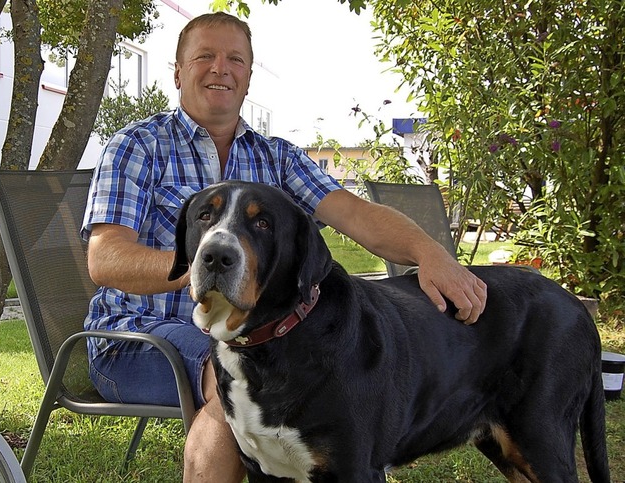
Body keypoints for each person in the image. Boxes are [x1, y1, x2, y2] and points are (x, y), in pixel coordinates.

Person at [81, 12, 487, 482]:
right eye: (205, 56)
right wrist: (207, 269)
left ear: (249, 77)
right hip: (136, 337)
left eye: (235, 59)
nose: (220, 68)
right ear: (177, 71)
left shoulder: (276, 156)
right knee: (233, 385)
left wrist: (429, 252)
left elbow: (354, 214)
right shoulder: (137, 146)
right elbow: (104, 258)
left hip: (261, 338)